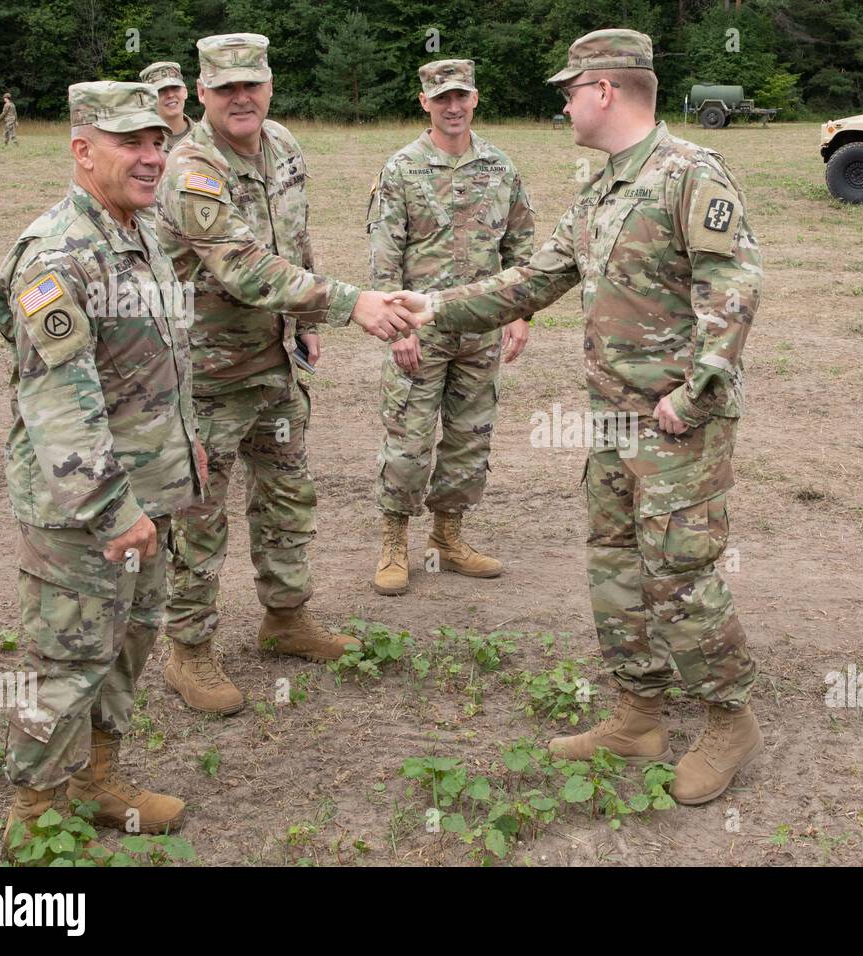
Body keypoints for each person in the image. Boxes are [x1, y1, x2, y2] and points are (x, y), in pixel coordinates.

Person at [406, 29, 764, 805]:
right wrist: (431, 307)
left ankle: (729, 719)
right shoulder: (603, 188)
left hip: (676, 426)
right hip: (612, 420)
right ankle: (639, 711)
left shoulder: (689, 173)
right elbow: (532, 279)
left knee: (680, 574)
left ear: (604, 90)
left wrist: (694, 393)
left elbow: (733, 286)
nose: (564, 101)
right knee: (614, 564)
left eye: (571, 89)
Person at [155, 33, 424, 716]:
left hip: (274, 366)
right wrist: (348, 302)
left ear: (269, 84)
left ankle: (285, 617)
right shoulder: (191, 168)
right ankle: (187, 648)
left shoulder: (283, 146)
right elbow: (242, 266)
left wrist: (302, 326)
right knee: (199, 518)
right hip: (206, 376)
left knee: (285, 500)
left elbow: (294, 240)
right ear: (203, 93)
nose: (241, 98)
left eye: (253, 85)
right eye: (225, 89)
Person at [0, 81, 204, 843]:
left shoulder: (137, 231)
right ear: (83, 151)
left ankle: (97, 778)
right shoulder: (59, 254)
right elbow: (59, 408)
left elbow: (151, 362)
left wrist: (186, 442)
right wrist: (113, 511)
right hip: (85, 511)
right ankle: (35, 820)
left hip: (144, 499)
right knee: (68, 660)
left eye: (158, 141)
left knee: (130, 639)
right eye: (131, 144)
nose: (152, 158)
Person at [367, 58, 535, 596]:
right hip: (421, 330)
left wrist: (520, 313)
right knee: (409, 441)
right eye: (442, 98)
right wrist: (400, 330)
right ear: (425, 102)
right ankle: (395, 541)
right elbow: (384, 257)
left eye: (461, 96)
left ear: (475, 99)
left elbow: (521, 248)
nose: (453, 107)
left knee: (469, 441)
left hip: (480, 332)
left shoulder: (501, 167)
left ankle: (447, 538)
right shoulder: (401, 170)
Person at [139, 61, 195, 153]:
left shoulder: (207, 136)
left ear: (185, 92)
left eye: (175, 88)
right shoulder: (142, 144)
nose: (170, 95)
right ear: (149, 99)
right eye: (161, 91)